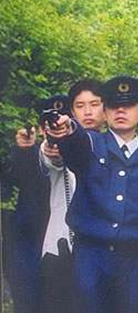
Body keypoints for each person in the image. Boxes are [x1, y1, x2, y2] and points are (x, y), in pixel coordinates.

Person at [46, 75, 138, 313]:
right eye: (113, 106)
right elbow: (75, 142)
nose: (120, 110)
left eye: (128, 105)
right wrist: (65, 130)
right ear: (105, 112)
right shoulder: (91, 145)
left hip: (136, 264)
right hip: (91, 260)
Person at [37, 79, 106, 313]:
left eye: (94, 104)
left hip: (102, 249)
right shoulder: (63, 143)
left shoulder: (114, 146)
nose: (88, 112)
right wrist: (53, 145)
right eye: (80, 105)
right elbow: (52, 157)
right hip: (62, 246)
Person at [3, 95, 71, 313]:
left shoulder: (84, 156)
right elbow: (8, 185)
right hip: (30, 245)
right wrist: (23, 150)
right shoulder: (30, 154)